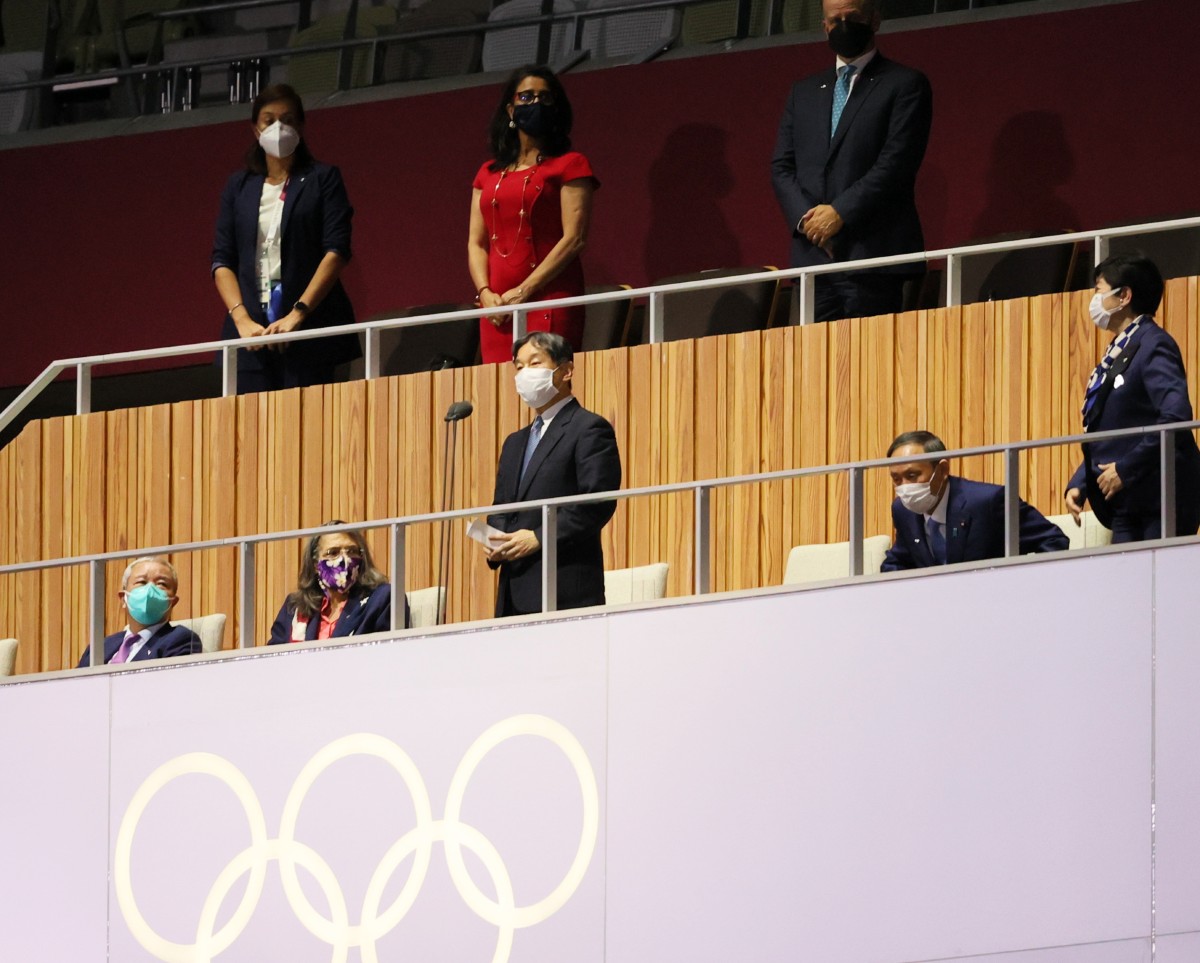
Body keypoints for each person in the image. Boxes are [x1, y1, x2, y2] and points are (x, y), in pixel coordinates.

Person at [771, 0, 932, 323]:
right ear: (825, 27)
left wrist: (839, 213)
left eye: (853, 17)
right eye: (836, 19)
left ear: (874, 20)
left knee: (871, 355)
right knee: (810, 355)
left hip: (872, 258)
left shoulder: (904, 84)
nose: (844, 26)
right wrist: (809, 223)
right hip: (814, 261)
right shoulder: (803, 92)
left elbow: (896, 164)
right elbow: (782, 167)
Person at [211, 83, 360, 393]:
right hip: (250, 339)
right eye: (269, 120)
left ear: (301, 127)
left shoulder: (323, 179)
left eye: (287, 120)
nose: (278, 128)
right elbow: (222, 260)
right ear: (255, 129)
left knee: (311, 420)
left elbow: (336, 250)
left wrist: (298, 313)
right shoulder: (238, 186)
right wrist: (241, 320)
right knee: (250, 422)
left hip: (309, 333)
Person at [468, 66, 599, 365]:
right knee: (499, 387)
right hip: (497, 308)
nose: (535, 103)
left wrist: (524, 290)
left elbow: (575, 239)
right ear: (510, 109)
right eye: (526, 97)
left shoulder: (570, 164)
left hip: (549, 298)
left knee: (545, 380)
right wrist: (485, 292)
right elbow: (476, 243)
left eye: (544, 98)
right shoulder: (487, 173)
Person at [1066, 254, 1200, 542]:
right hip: (1127, 501)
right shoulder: (1120, 350)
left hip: (1160, 498)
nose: (1094, 300)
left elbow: (1176, 417)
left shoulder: (1153, 344)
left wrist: (1125, 469)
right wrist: (1081, 482)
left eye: (1099, 291)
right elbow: (1110, 430)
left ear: (1124, 296)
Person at [486, 331, 621, 616]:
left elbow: (596, 502)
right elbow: (502, 507)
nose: (524, 373)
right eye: (519, 367)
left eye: (535, 363)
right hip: (513, 593)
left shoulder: (588, 428)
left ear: (566, 370)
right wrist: (495, 540)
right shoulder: (514, 442)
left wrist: (539, 536)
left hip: (566, 587)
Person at [881, 430, 1068, 571]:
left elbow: (1052, 541)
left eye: (912, 475)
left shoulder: (988, 501)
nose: (905, 487)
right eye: (896, 479)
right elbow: (898, 561)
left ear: (942, 470)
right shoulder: (903, 510)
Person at [268, 523, 403, 644]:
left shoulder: (383, 598)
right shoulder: (295, 607)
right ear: (315, 564)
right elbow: (273, 659)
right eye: (333, 553)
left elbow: (387, 654)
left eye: (352, 551)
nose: (344, 560)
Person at [77, 556, 200, 667]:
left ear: (172, 602)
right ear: (123, 598)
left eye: (161, 584)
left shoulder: (181, 639)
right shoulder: (100, 647)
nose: (150, 590)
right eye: (141, 582)